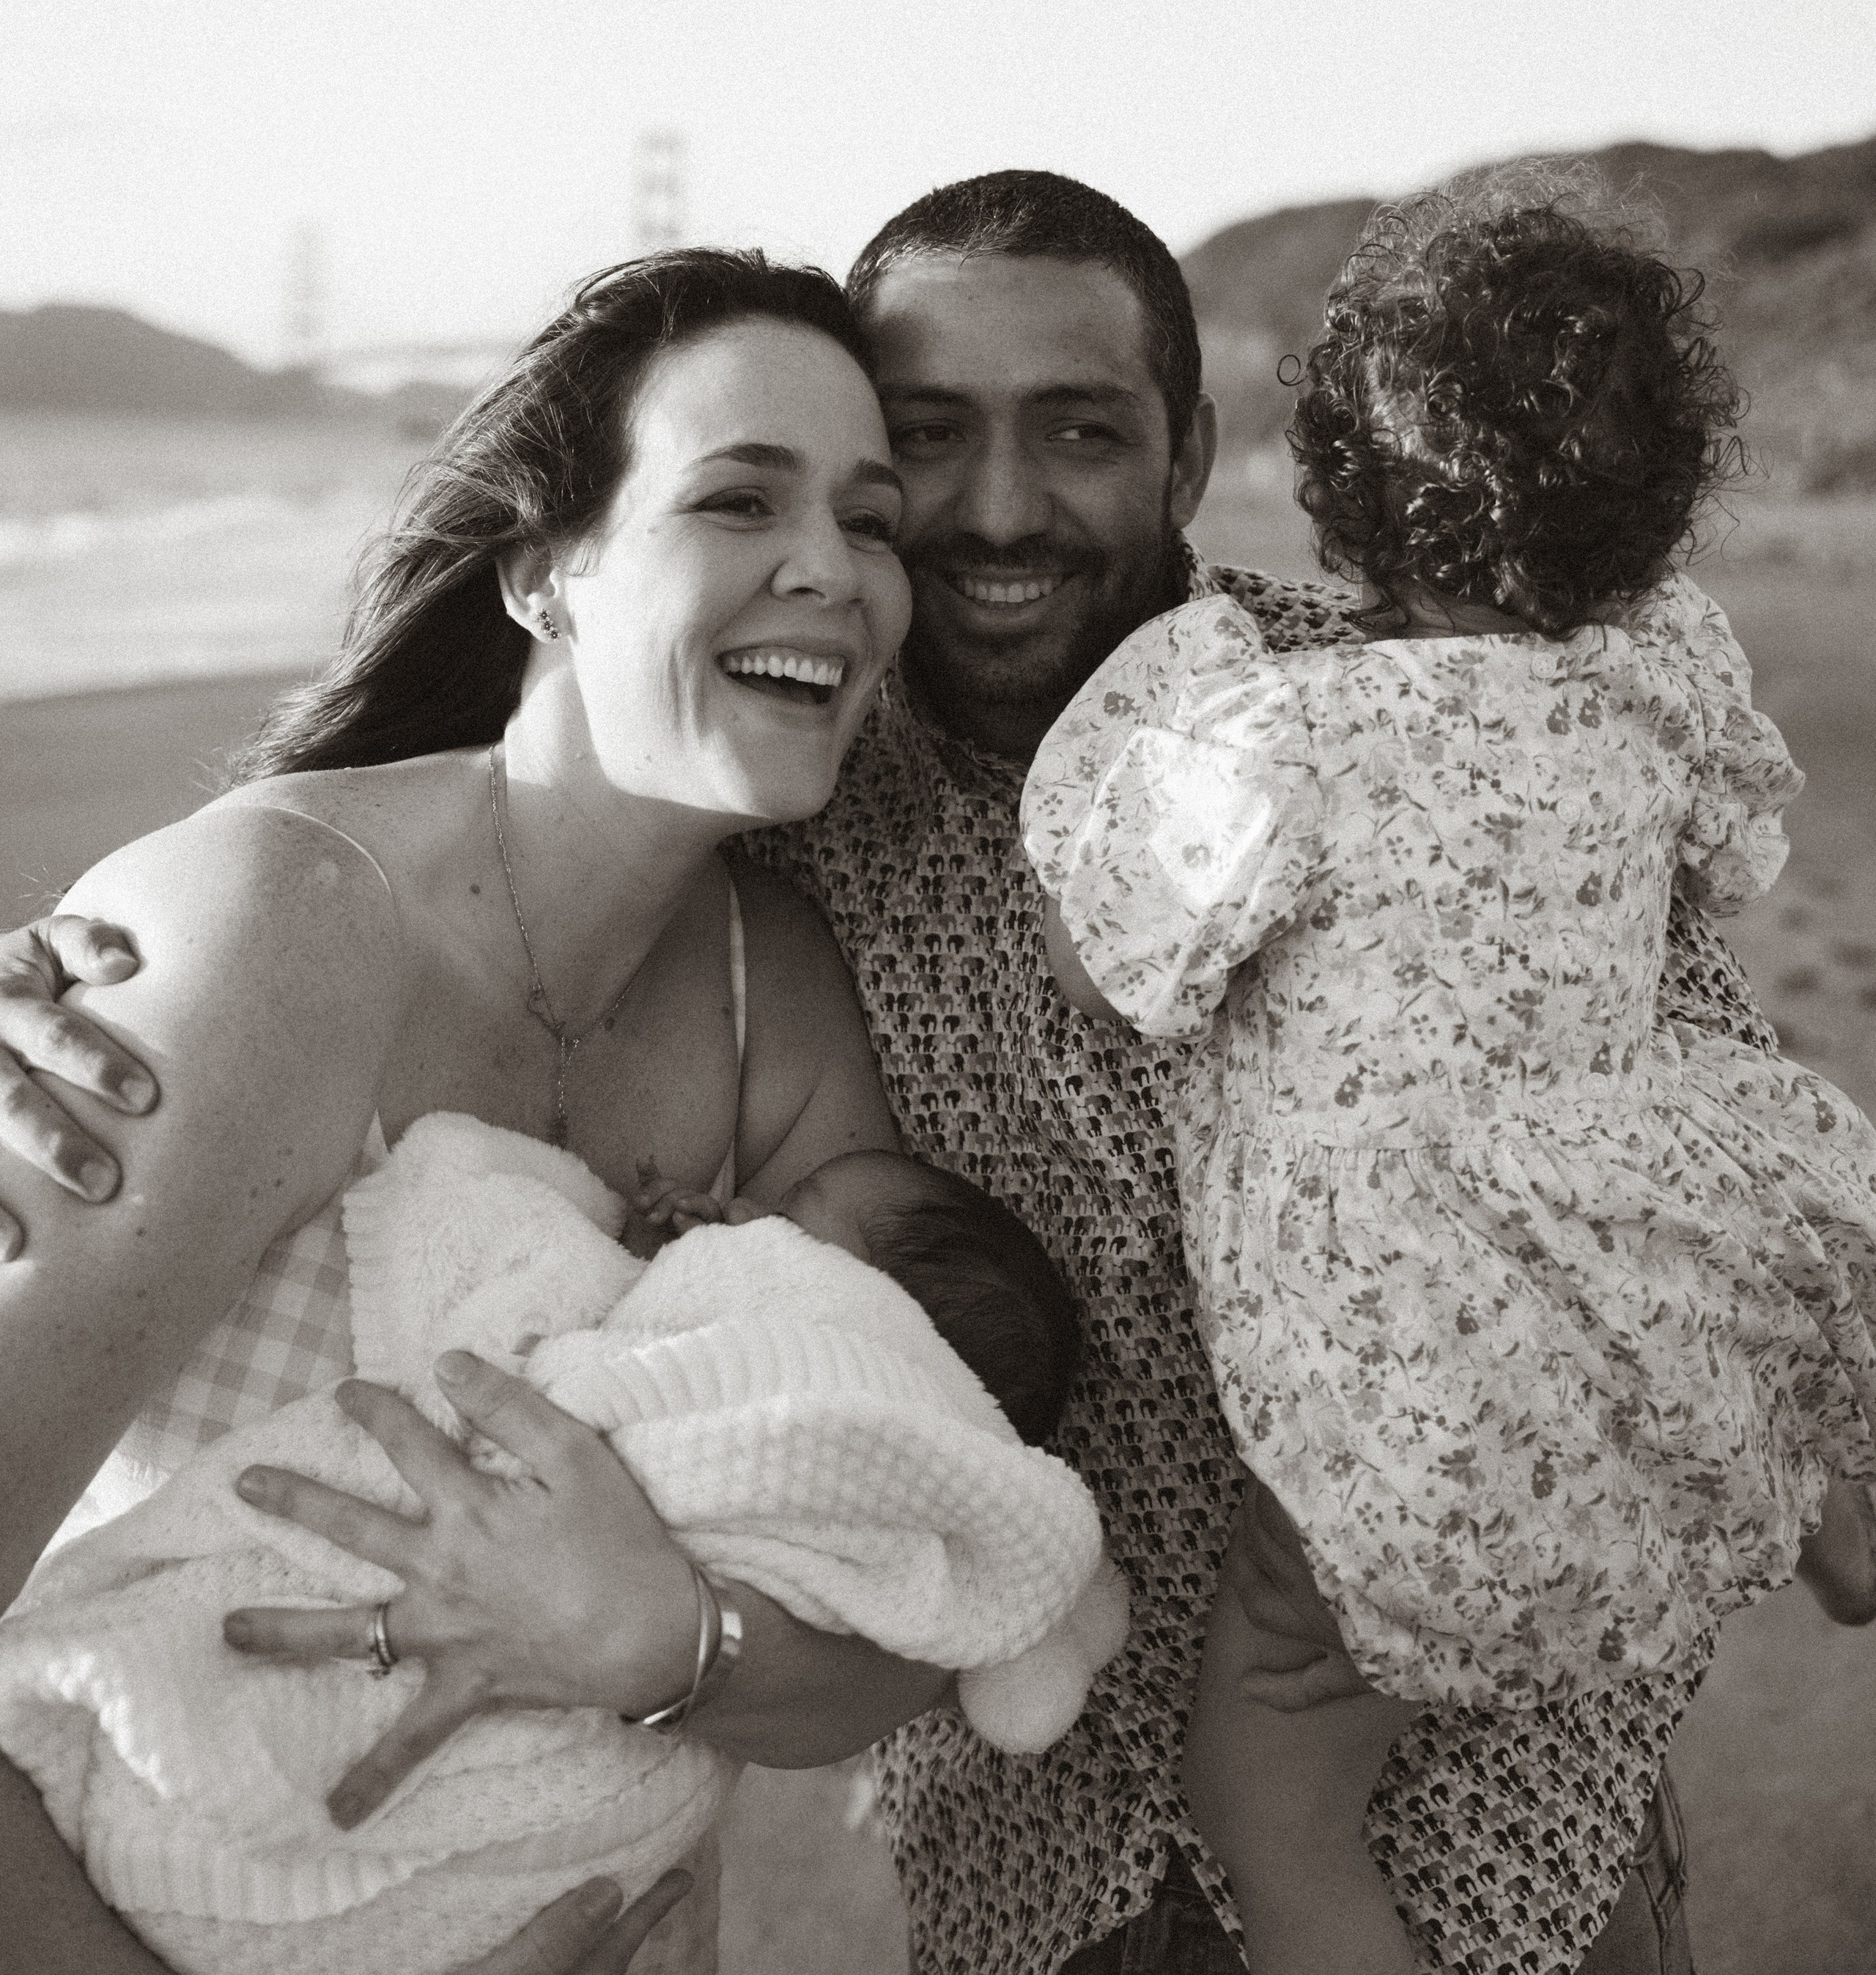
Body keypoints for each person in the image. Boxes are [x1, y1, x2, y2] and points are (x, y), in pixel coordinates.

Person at [0, 171, 1772, 1972]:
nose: (989, 510)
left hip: (1476, 1838)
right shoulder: (786, 808)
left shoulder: (1414, 712)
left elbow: (1720, 1145)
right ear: (543, 564)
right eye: (919, 445)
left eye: (1077, 430)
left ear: (1183, 455)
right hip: (1037, 1880)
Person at [0, 247, 978, 1975]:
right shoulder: (273, 933)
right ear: (542, 574)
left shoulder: (774, 1005)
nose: (829, 567)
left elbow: (903, 1581)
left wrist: (663, 1642)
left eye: (870, 518)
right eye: (738, 498)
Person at [1022, 184, 1876, 1974]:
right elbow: (1729, 864)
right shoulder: (1656, 688)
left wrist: (1122, 753)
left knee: (1267, 1793)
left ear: (1333, 487)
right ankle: (1823, 1506)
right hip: (1612, 1333)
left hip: (1396, 1395)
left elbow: (1118, 973)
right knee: (1741, 1261)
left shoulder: (1289, 738)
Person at [1, 1109, 1111, 1974]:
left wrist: (659, 1631)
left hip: (570, 1808)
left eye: (786, 1213)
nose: (738, 1208)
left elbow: (558, 1338)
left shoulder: (823, 1394)